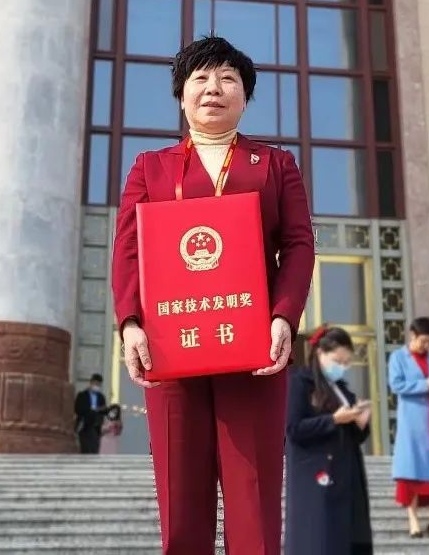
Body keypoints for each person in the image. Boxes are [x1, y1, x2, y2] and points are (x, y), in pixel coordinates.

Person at [112, 36, 315, 555]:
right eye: (200, 78)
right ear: (181, 95)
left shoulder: (274, 164)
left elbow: (298, 244)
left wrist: (283, 317)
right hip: (172, 347)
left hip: (252, 348)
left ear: (245, 96)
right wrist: (130, 323)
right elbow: (128, 250)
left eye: (228, 78)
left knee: (254, 493)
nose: (213, 89)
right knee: (181, 494)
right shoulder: (150, 168)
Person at [285, 326, 373, 555]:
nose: (341, 367)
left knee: (349, 539)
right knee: (321, 540)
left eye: (346, 362)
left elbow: (354, 436)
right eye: (337, 361)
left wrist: (361, 422)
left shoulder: (342, 389)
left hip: (347, 474)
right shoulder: (300, 383)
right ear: (320, 353)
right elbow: (293, 429)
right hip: (316, 474)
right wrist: (333, 419)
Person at [388, 316, 429, 537]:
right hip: (412, 424)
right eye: (423, 340)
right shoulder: (398, 358)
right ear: (413, 335)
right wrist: (425, 384)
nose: (426, 345)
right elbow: (396, 385)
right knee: (412, 475)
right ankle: (414, 522)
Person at [74, 373, 107, 454]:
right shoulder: (82, 395)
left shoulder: (101, 397)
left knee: (94, 448)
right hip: (84, 425)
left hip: (96, 426)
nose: (97, 386)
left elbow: (104, 410)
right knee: (85, 448)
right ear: (91, 382)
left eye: (98, 385)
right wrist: (92, 410)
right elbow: (77, 409)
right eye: (95, 384)